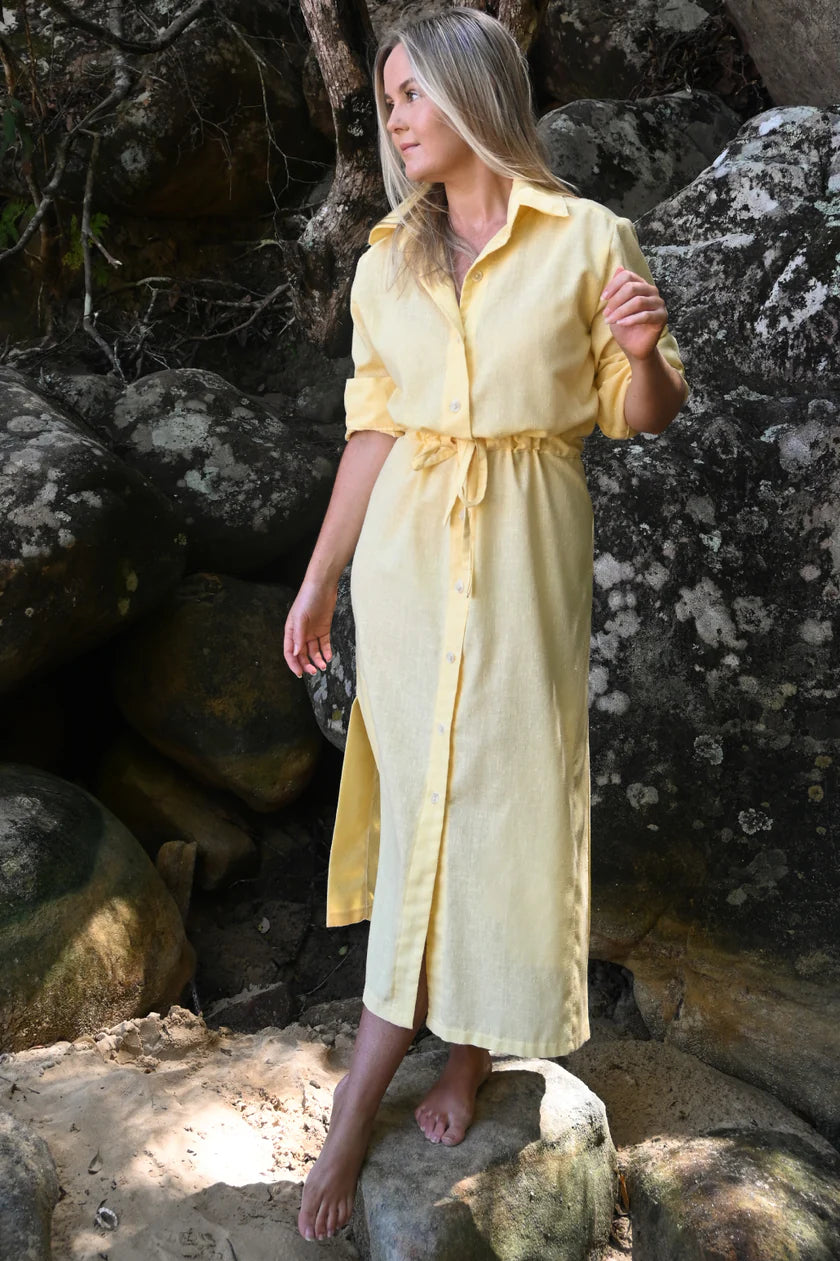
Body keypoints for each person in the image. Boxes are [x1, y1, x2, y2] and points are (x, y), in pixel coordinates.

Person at [283, 6, 689, 1243]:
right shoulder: (382, 262)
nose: (394, 119)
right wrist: (317, 578)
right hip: (406, 562)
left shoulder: (586, 241)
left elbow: (642, 414)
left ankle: (467, 1055)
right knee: (423, 809)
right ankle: (362, 1103)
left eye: (410, 96)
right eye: (389, 100)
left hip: (524, 550)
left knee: (505, 797)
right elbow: (372, 429)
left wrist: (647, 355)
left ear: (472, 97)